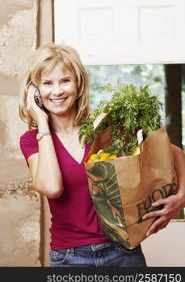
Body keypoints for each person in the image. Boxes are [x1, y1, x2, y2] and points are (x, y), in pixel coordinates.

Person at [19, 43, 185, 267]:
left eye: (65, 81)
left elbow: (172, 151)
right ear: (35, 91)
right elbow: (52, 187)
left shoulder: (104, 128)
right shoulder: (33, 140)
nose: (57, 91)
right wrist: (42, 123)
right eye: (47, 83)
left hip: (123, 253)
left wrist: (181, 197)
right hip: (69, 258)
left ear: (78, 84)